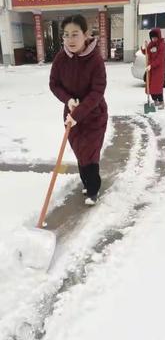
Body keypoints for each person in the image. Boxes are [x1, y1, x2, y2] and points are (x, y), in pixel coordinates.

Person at [49, 14, 108, 206]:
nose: (70, 40)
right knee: (80, 152)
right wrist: (68, 100)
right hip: (71, 114)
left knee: (90, 152)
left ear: (86, 34)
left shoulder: (95, 60)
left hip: (94, 115)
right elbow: (54, 84)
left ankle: (93, 189)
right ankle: (87, 182)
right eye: (66, 35)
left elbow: (97, 90)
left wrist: (80, 112)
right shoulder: (61, 58)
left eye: (75, 34)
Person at [141, 27, 165, 108]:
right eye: (152, 38)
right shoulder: (151, 44)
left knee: (157, 86)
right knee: (150, 86)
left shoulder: (162, 45)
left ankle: (161, 101)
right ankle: (155, 101)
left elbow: (160, 59)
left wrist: (151, 65)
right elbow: (147, 53)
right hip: (151, 68)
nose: (154, 39)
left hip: (158, 69)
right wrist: (143, 49)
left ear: (158, 36)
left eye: (155, 37)